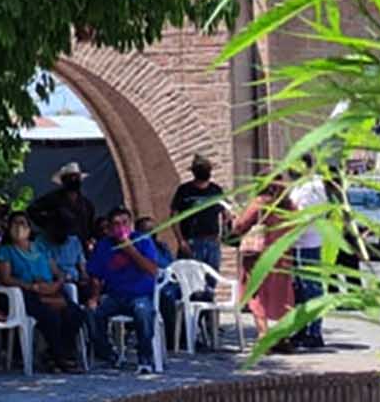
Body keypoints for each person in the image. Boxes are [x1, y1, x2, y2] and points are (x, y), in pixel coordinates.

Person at [0, 212, 88, 373]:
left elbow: (56, 270)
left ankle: (55, 354)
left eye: (23, 223)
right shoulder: (5, 251)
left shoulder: (39, 248)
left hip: (50, 290)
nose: (19, 227)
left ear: (30, 228)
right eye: (15, 224)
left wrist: (57, 283)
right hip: (25, 292)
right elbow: (6, 278)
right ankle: (60, 359)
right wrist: (31, 287)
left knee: (75, 313)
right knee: (50, 316)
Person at [86, 207, 171, 374]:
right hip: (114, 296)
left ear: (131, 225)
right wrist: (94, 297)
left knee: (143, 312)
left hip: (140, 295)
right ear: (110, 228)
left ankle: (145, 359)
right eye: (116, 224)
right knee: (91, 312)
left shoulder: (143, 241)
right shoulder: (104, 246)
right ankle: (110, 355)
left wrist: (130, 250)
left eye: (124, 223)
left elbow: (152, 270)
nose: (120, 227)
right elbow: (95, 276)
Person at [232, 180, 296, 341]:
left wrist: (234, 219)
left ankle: (263, 334)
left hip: (260, 255)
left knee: (257, 294)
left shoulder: (260, 203)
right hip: (282, 254)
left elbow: (240, 225)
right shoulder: (289, 206)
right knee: (282, 295)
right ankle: (283, 336)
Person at [285, 163, 333, 350]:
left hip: (304, 243)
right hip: (308, 241)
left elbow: (303, 217)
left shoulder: (309, 188)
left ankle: (312, 332)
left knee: (308, 288)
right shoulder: (308, 185)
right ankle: (303, 329)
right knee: (301, 289)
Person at [170, 154, 228, 282]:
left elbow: (225, 213)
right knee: (190, 280)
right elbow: (174, 216)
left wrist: (223, 234)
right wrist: (181, 241)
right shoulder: (184, 191)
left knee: (211, 279)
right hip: (191, 241)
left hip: (211, 241)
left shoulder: (215, 190)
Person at [30, 162, 97, 245]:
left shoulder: (87, 205)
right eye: (70, 177)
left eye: (76, 177)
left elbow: (91, 229)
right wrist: (49, 223)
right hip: (57, 245)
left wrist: (89, 240)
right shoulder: (53, 198)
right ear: (63, 180)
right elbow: (32, 210)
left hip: (80, 248)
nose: (74, 179)